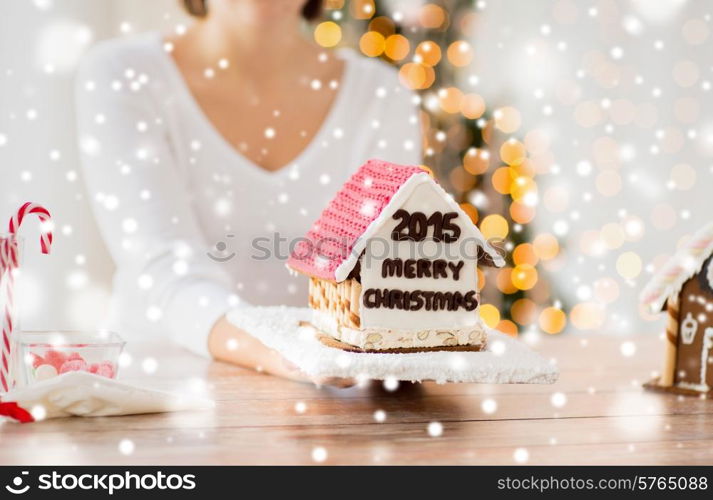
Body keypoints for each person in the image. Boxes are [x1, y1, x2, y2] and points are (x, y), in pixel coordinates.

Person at [76, 0, 421, 385]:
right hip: (158, 395)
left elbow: (383, 270)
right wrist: (287, 352)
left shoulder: (381, 96)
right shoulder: (122, 74)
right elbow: (162, 267)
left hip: (328, 407)